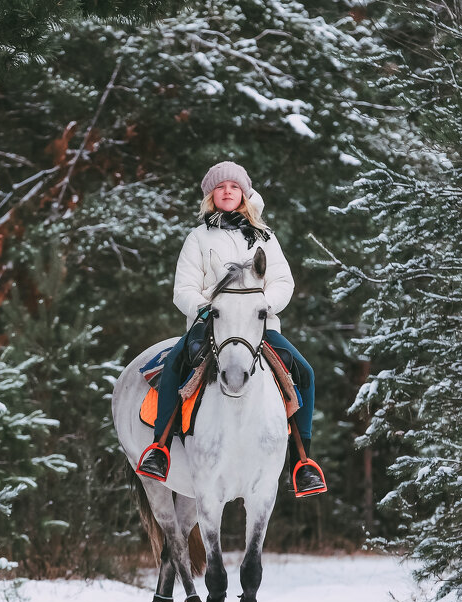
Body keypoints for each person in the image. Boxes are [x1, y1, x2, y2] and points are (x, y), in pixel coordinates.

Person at [135, 161, 326, 497]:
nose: (227, 192)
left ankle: (302, 461)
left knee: (306, 373)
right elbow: (184, 288)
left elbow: (283, 281)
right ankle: (160, 449)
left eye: (234, 187)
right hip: (211, 325)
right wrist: (205, 308)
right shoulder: (198, 237)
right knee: (174, 365)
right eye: (221, 187)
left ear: (244, 194)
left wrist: (264, 306)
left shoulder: (265, 237)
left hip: (258, 327)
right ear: (211, 195)